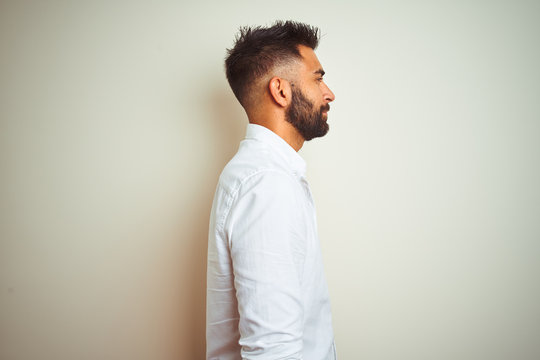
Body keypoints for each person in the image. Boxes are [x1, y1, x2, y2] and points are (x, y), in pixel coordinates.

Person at [206, 20, 337, 359]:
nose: (329, 93)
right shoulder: (267, 185)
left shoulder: (263, 176)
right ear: (281, 91)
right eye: (318, 78)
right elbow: (272, 349)